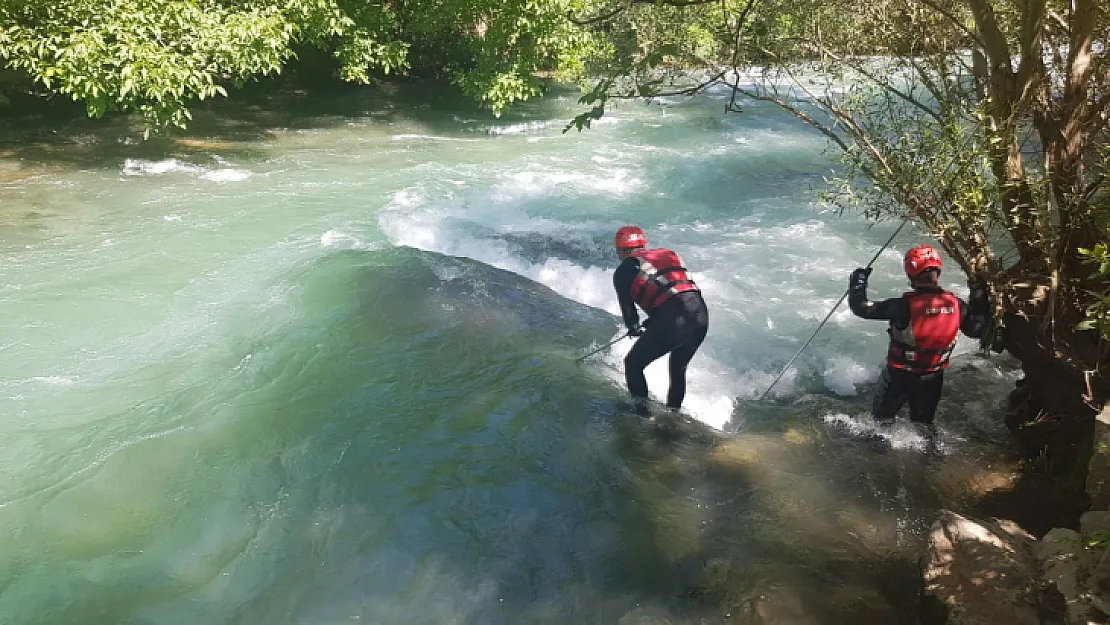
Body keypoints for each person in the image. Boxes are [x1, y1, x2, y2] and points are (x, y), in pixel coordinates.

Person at [848, 244, 991, 427]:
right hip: (931, 378)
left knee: (880, 424)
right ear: (937, 272)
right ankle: (928, 455)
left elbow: (861, 308)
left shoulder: (903, 306)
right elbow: (976, 330)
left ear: (910, 275)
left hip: (898, 377)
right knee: (923, 427)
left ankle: (877, 452)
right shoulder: (957, 305)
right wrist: (979, 293)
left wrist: (858, 283)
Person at [612, 225, 709, 414]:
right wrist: (656, 320)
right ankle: (674, 414)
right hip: (701, 316)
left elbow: (630, 318)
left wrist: (635, 328)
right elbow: (674, 293)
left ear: (622, 249)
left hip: (675, 321)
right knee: (678, 370)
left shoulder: (624, 271)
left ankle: (641, 415)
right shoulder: (666, 255)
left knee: (633, 364)